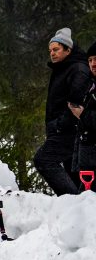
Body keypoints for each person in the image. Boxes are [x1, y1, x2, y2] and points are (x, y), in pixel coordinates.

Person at [33, 28, 92, 195]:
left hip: (69, 131)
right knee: (74, 177)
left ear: (68, 49)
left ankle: (73, 202)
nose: (52, 53)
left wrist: (59, 125)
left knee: (43, 160)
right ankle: (79, 205)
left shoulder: (78, 69)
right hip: (62, 130)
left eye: (56, 49)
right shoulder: (64, 68)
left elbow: (77, 103)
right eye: (50, 50)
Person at [68, 42, 96, 192]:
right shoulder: (89, 85)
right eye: (90, 60)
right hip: (87, 162)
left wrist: (83, 114)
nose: (93, 64)